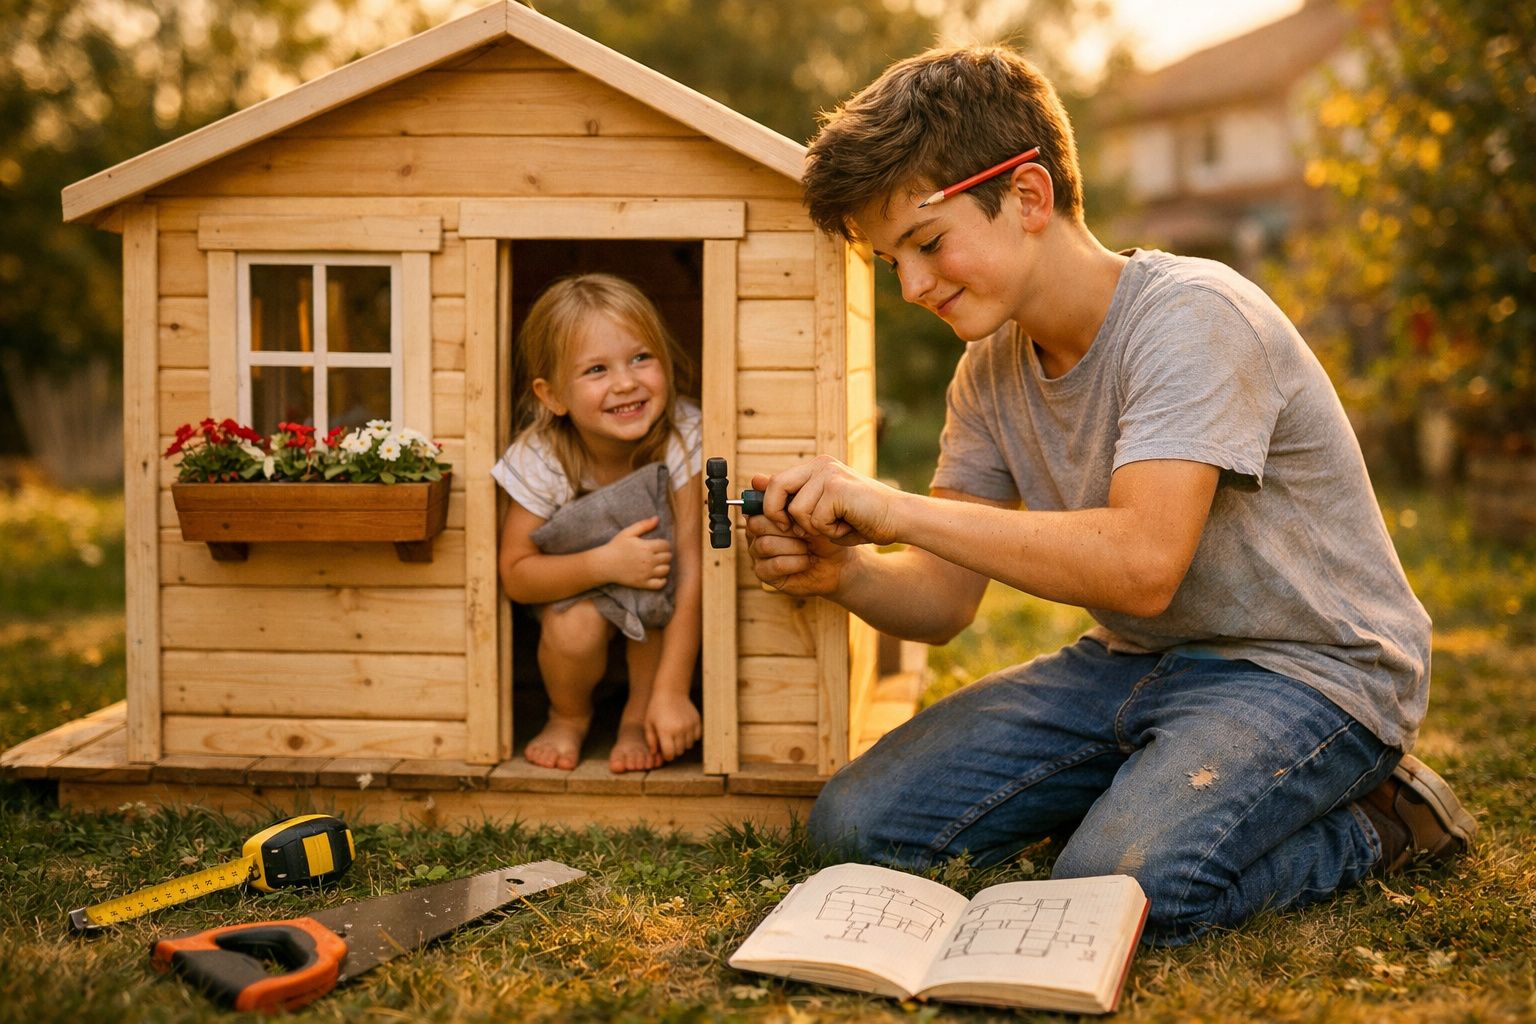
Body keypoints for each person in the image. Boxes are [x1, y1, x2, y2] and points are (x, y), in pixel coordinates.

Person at [746, 45, 1476, 944]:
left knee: (1113, 891)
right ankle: (1155, 780)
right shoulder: (986, 374)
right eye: (892, 261)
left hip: (1310, 670)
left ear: (1028, 197)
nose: (913, 287)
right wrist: (843, 573)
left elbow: (1142, 568)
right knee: (856, 827)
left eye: (927, 244)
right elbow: (939, 602)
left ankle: (1384, 822)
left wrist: (888, 507)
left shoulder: (1195, 318)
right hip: (1130, 665)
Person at [495, 273, 702, 773]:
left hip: (655, 590)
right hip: (574, 592)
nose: (626, 383)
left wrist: (673, 693)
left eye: (640, 358)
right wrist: (604, 564)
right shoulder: (540, 455)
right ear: (552, 396)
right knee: (576, 627)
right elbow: (517, 575)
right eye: (595, 369)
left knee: (659, 587)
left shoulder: (684, 433)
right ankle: (568, 716)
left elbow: (695, 565)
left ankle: (638, 719)